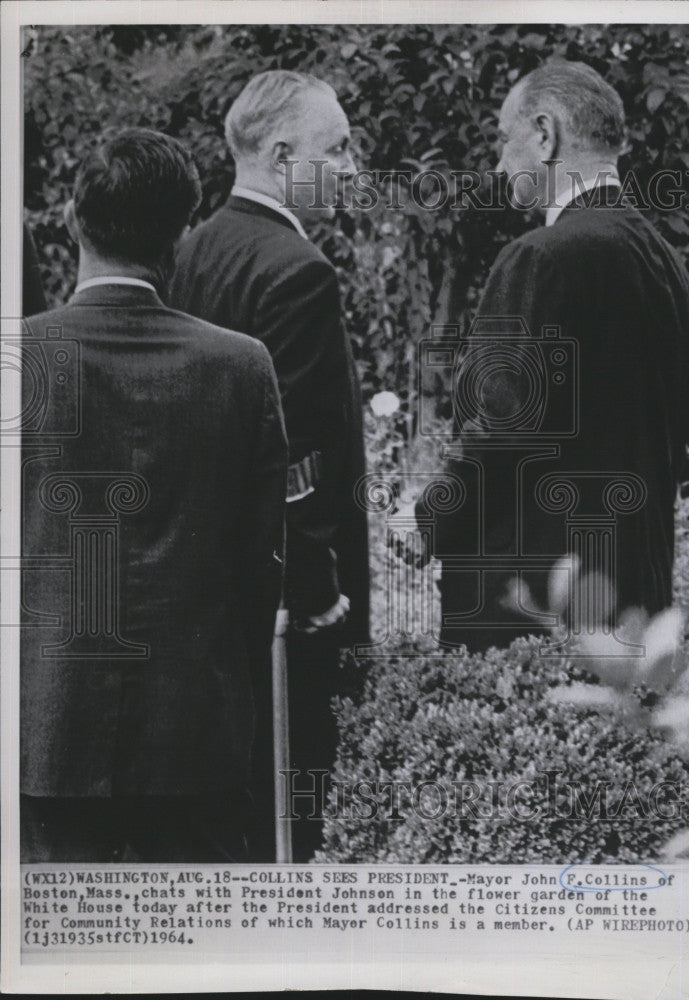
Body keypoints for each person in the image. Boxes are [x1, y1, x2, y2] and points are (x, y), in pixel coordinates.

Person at [21, 128, 288, 862]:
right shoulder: (241, 368)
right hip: (196, 734)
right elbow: (259, 565)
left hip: (46, 732)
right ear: (183, 231)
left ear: (72, 219)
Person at [428, 60, 689, 653]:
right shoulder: (664, 262)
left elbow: (500, 424)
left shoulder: (541, 257)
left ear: (545, 135)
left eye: (504, 140)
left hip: (534, 600)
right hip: (635, 601)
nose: (499, 165)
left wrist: (428, 518)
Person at [168, 70, 369, 860]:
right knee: (294, 810)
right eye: (340, 149)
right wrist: (315, 594)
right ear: (284, 156)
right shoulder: (298, 271)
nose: (353, 168)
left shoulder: (194, 251)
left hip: (206, 590)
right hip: (288, 605)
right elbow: (300, 459)